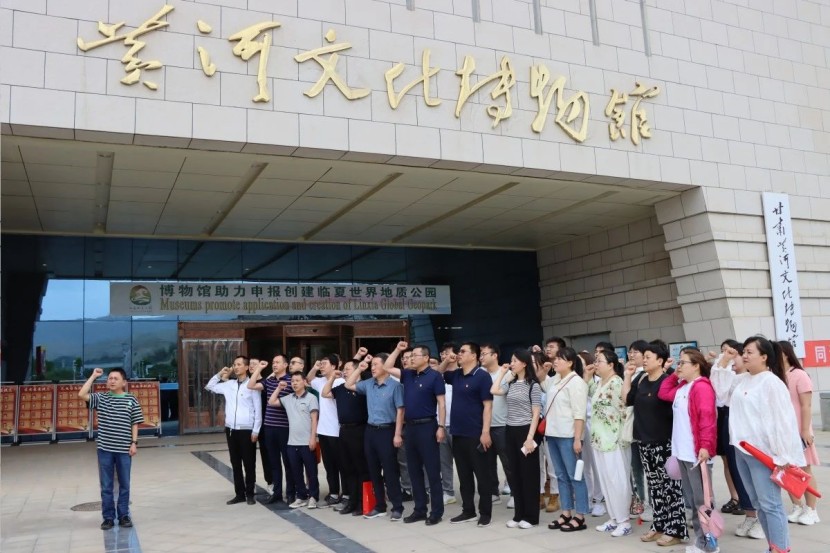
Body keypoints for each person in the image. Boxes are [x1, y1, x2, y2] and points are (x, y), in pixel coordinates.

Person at [730, 336, 805, 553]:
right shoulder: (743, 380)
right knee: (758, 503)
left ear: (764, 357)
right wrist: (724, 361)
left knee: (770, 504)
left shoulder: (772, 383)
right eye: (743, 351)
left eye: (749, 352)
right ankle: (773, 547)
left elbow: (783, 422)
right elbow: (721, 388)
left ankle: (781, 549)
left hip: (763, 454)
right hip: (742, 450)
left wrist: (782, 456)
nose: (744, 355)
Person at [623, 341, 687, 546]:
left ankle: (675, 530)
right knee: (655, 487)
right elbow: (626, 399)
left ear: (660, 361)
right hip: (644, 441)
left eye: (648, 357)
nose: (644, 360)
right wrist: (627, 376)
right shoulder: (641, 379)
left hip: (664, 443)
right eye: (644, 357)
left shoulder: (667, 381)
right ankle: (659, 525)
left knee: (670, 488)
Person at [658, 348, 718, 553]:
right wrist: (675, 375)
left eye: (683, 363)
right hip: (682, 452)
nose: (679, 366)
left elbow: (707, 419)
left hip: (696, 454)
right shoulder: (683, 387)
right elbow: (663, 392)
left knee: (702, 500)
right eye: (679, 362)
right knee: (692, 500)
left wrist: (705, 446)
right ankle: (701, 541)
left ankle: (708, 544)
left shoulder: (701, 387)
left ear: (696, 366)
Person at [385, 342, 447, 525]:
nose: (411, 359)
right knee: (413, 471)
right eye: (410, 356)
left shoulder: (435, 376)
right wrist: (397, 349)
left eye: (415, 356)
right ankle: (420, 509)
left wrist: (441, 427)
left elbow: (442, 403)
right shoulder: (408, 374)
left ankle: (436, 512)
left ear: (426, 358)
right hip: (410, 428)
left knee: (432, 471)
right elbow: (387, 367)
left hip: (428, 426)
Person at [79, 367, 144, 530]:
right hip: (105, 449)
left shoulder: (131, 399)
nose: (112, 381)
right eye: (110, 378)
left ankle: (123, 515)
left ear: (124, 382)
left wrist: (134, 443)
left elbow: (134, 423)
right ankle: (108, 517)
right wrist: (93, 376)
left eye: (116, 378)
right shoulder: (101, 398)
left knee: (125, 484)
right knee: (106, 485)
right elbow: (82, 394)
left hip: (124, 449)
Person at [345, 353, 405, 521]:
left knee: (390, 470)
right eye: (372, 365)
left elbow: (400, 411)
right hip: (370, 431)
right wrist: (359, 369)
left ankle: (397, 507)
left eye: (376, 365)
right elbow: (348, 384)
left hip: (387, 430)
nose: (373, 368)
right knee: (373, 469)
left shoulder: (395, 386)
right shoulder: (368, 384)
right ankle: (380, 506)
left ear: (385, 366)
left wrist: (397, 434)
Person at [441, 342, 495, 527]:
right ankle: (468, 510)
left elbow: (488, 406)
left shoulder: (482, 376)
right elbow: (438, 373)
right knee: (464, 476)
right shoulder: (456, 375)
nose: (459, 354)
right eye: (459, 351)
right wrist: (448, 360)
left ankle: (485, 513)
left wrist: (485, 432)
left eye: (463, 351)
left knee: (482, 475)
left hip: (476, 433)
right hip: (458, 433)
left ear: (474, 356)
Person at [539, 346, 589, 533]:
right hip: (552, 434)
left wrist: (577, 439)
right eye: (556, 358)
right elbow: (540, 381)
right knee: (561, 476)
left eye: (560, 358)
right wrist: (544, 369)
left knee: (575, 476)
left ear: (570, 362)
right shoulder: (555, 379)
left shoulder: (577, 382)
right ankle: (566, 511)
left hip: (568, 436)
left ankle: (580, 515)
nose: (556, 361)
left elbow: (579, 414)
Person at [491, 349, 542, 529]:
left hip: (526, 430)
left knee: (529, 475)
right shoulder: (511, 383)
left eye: (515, 361)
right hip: (510, 430)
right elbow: (494, 390)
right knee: (515, 473)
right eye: (511, 360)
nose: (511, 363)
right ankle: (518, 514)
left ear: (524, 363)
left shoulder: (533, 385)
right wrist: (503, 373)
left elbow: (536, 413)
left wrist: (530, 438)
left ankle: (531, 516)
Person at [584, 350, 632, 537]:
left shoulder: (616, 383)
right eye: (595, 361)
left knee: (617, 481)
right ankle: (613, 517)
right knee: (605, 481)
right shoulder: (599, 384)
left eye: (600, 361)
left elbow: (624, 411)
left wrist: (620, 437)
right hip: (599, 440)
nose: (596, 364)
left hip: (614, 441)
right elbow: (586, 391)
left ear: (611, 365)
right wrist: (588, 375)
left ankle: (624, 520)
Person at [205, 356, 262, 506]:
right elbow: (210, 386)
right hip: (231, 429)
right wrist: (220, 374)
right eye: (234, 365)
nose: (236, 367)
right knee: (235, 463)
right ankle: (239, 494)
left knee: (249, 463)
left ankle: (250, 493)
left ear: (246, 367)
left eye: (239, 364)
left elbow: (258, 410)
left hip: (247, 430)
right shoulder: (229, 385)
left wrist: (256, 431)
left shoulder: (252, 385)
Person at [779, 340, 821, 525]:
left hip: (799, 429)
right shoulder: (777, 375)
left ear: (785, 354)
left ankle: (812, 510)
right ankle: (797, 506)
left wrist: (805, 430)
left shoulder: (799, 375)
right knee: (787, 469)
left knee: (804, 470)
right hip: (783, 432)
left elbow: (806, 405)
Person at [323, 357, 370, 516]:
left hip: (359, 430)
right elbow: (325, 393)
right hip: (343, 431)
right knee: (347, 467)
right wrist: (332, 378)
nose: (344, 372)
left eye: (348, 369)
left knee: (360, 468)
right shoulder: (341, 388)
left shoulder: (363, 387)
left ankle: (363, 503)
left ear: (357, 370)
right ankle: (352, 502)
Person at [248, 354, 294, 507]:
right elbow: (251, 385)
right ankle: (277, 493)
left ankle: (291, 493)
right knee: (274, 462)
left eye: (277, 362)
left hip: (285, 427)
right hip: (269, 427)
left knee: (288, 462)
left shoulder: (291, 381)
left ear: (285, 365)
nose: (274, 365)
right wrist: (259, 368)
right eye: (273, 362)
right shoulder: (269, 381)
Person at [268, 372, 320, 509]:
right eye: (292, 381)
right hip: (292, 443)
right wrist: (279, 388)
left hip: (307, 442)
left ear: (304, 382)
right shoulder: (288, 398)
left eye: (297, 380)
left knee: (311, 472)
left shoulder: (311, 398)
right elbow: (271, 401)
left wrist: (313, 438)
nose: (294, 383)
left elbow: (314, 419)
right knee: (296, 472)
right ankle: (301, 497)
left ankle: (313, 497)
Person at [308, 355, 345, 507]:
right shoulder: (320, 381)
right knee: (329, 465)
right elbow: (309, 379)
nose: (322, 366)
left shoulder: (341, 382)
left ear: (334, 366)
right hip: (323, 430)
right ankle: (333, 492)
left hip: (337, 430)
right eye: (321, 364)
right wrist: (315, 367)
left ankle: (346, 493)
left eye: (325, 364)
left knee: (342, 464)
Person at [481, 343, 512, 507]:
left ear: (495, 356)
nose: (481, 357)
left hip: (503, 424)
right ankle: (493, 492)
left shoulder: (506, 373)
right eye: (480, 354)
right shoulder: (479, 374)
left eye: (484, 353)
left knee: (508, 461)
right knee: (487, 462)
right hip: (485, 426)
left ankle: (514, 492)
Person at [248, 358, 273, 495]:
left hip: (265, 424)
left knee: (267, 455)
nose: (251, 366)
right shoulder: (246, 383)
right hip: (248, 424)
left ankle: (271, 483)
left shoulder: (266, 382)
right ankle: (250, 485)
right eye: (250, 364)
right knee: (249, 457)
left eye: (254, 364)